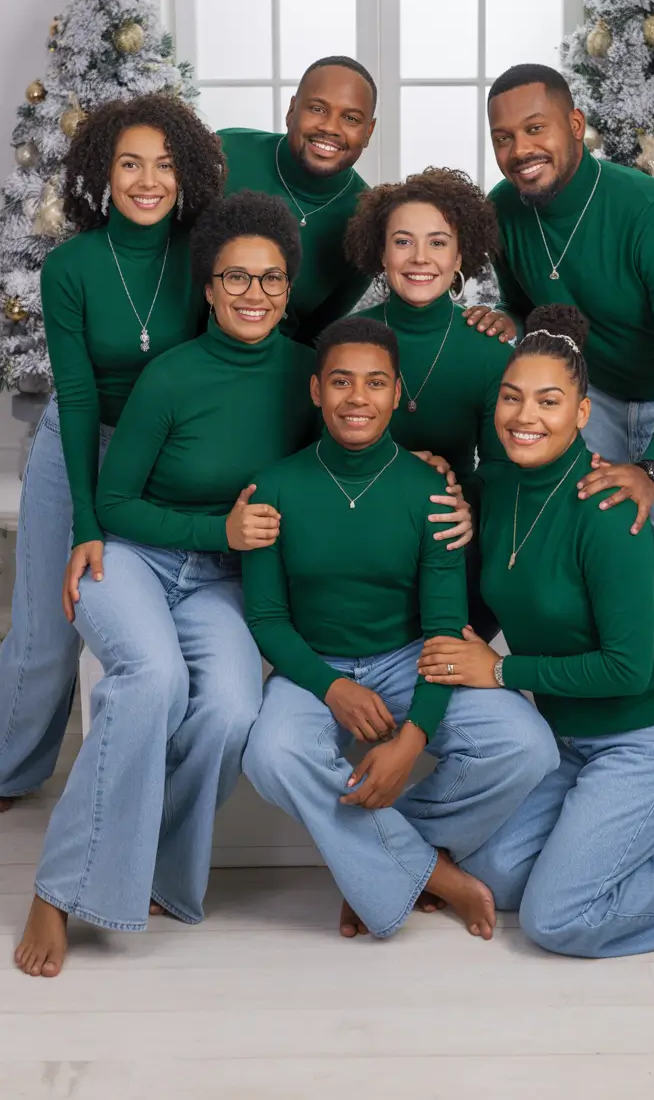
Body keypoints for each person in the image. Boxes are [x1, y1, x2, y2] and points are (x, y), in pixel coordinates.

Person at [14, 191, 317, 978]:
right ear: (209, 289)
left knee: (231, 709)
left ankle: (152, 868)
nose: (254, 294)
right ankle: (58, 889)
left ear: (290, 288)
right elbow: (114, 502)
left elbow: (362, 440)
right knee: (153, 680)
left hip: (224, 583)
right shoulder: (171, 374)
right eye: (236, 278)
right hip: (132, 559)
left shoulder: (309, 377)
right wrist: (217, 532)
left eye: (271, 279)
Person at [465, 62, 654, 833]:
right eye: (503, 137)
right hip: (594, 399)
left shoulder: (648, 211)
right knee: (576, 566)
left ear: (576, 127)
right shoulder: (503, 212)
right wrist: (510, 325)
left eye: (535, 129)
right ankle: (590, 766)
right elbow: (539, 311)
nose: (520, 149)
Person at [418, 303, 654, 958]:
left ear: (582, 413)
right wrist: (432, 471)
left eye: (548, 401)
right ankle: (632, 858)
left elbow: (628, 669)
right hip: (571, 740)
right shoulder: (496, 486)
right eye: (512, 397)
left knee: (558, 919)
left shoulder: (608, 509)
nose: (524, 416)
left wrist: (499, 671)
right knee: (493, 875)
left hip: (648, 739)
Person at [241, 316, 559, 942]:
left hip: (412, 658)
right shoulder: (274, 487)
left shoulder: (428, 489)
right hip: (314, 667)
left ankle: (382, 864)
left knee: (528, 745)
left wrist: (411, 741)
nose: (357, 398)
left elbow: (444, 628)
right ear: (316, 391)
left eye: (376, 383)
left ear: (396, 392)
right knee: (270, 754)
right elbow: (267, 620)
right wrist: (332, 687)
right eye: (341, 382)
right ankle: (431, 874)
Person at [0, 95, 225, 813]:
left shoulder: (203, 257)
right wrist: (87, 521)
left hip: (165, 450)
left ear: (186, 174)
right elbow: (77, 395)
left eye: (165, 165)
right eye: (130, 164)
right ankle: (8, 768)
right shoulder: (71, 266)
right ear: (103, 172)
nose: (148, 181)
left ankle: (148, 771)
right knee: (46, 625)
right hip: (79, 439)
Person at [344, 166, 510, 634]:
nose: (420, 258)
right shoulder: (345, 341)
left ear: (460, 256)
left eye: (438, 242)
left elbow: (501, 469)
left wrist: (464, 505)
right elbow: (317, 455)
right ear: (381, 253)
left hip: (451, 522)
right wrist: (392, 467)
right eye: (403, 242)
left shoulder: (490, 351)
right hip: (360, 521)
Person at [219, 55, 376, 344]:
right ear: (292, 110)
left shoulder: (367, 221)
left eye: (351, 119)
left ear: (368, 132)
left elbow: (314, 334)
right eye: (317, 109)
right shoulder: (226, 153)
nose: (330, 127)